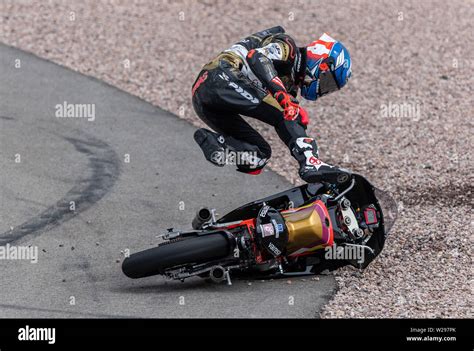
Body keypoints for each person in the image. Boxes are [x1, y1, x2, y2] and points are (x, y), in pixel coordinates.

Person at [192, 26, 352, 184]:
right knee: (289, 112)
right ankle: (311, 163)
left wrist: (287, 102)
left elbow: (288, 120)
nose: (324, 89)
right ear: (321, 63)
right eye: (328, 81)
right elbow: (257, 57)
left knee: (258, 156)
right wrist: (281, 95)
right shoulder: (288, 47)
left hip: (203, 99)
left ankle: (220, 145)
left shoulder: (289, 85)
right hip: (220, 77)